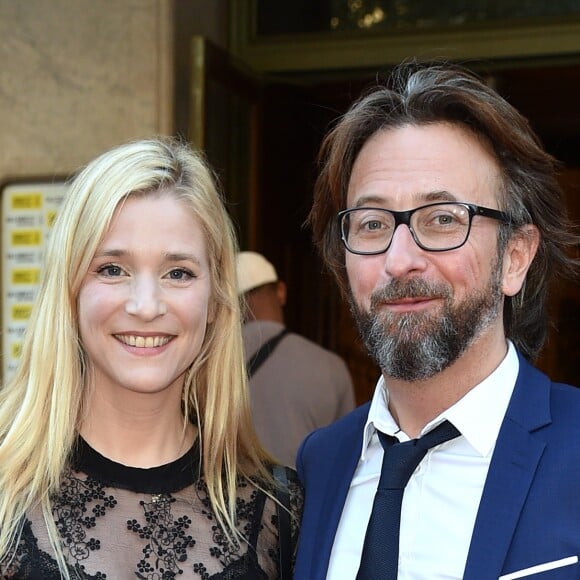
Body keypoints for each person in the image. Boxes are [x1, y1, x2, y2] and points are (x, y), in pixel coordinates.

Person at [295, 61, 580, 580]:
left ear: (515, 256)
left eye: (443, 219)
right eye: (373, 223)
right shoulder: (320, 464)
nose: (399, 259)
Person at [0, 137, 302, 579]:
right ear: (69, 292)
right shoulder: (8, 496)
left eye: (177, 272)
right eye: (112, 269)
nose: (145, 306)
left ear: (217, 300)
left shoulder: (278, 511)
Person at [236, 251, 356, 468]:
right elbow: (348, 456)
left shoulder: (206, 365)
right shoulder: (331, 366)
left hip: (228, 497)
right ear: (280, 292)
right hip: (305, 499)